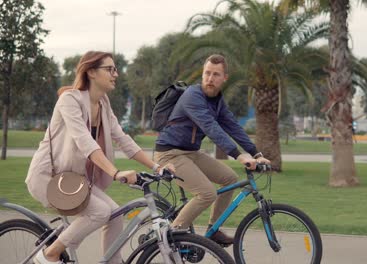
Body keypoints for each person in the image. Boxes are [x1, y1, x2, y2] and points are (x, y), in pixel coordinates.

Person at [25, 51, 174, 264]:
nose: (116, 74)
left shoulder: (103, 103)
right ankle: (50, 254)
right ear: (92, 72)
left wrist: (157, 167)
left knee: (115, 214)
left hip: (74, 179)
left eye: (116, 69)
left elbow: (123, 139)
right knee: (100, 212)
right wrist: (116, 172)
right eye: (110, 69)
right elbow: (85, 141)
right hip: (50, 177)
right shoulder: (70, 100)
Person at [154, 54, 270, 246]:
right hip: (169, 153)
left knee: (230, 178)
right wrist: (239, 155)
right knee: (207, 193)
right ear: (202, 75)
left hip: (190, 152)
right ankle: (171, 238)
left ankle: (213, 229)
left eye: (216, 74)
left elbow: (233, 127)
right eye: (207, 73)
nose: (210, 78)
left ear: (225, 78)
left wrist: (256, 154)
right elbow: (211, 127)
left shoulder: (217, 101)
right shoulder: (192, 95)